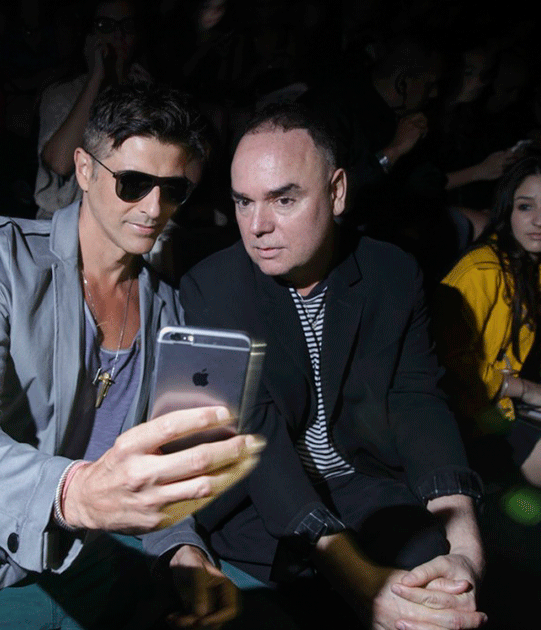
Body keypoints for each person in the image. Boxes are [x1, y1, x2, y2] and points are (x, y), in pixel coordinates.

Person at [0, 82, 264, 628]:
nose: (154, 208)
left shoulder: (169, 311)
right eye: (133, 183)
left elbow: (159, 478)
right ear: (84, 169)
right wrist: (70, 492)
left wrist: (182, 551)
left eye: (173, 190)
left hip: (98, 561)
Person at [179, 103, 487, 629]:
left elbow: (417, 399)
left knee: (439, 578)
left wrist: (465, 547)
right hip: (259, 502)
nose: (257, 226)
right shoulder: (213, 289)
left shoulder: (391, 271)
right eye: (243, 202)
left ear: (337, 191)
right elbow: (257, 441)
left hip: (362, 480)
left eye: (284, 199)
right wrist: (365, 586)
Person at [435, 153, 541, 488]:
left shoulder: (531, 268)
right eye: (526, 206)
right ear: (508, 210)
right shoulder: (482, 270)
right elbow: (444, 366)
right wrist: (524, 390)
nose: (538, 220)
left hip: (498, 412)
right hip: (461, 423)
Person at [35, 0, 149, 218]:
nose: (118, 35)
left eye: (127, 26)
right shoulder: (63, 93)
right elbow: (59, 163)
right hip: (66, 218)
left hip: (127, 217)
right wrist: (96, 78)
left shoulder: (146, 88)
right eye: (106, 26)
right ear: (89, 35)